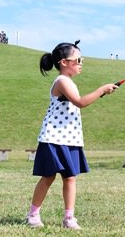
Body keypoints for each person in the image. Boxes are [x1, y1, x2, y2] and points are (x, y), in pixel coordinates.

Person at [26, 40, 118, 230]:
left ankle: (69, 218)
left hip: (70, 138)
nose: (81, 63)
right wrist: (101, 89)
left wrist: (103, 93)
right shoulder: (61, 82)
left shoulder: (70, 82)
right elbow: (80, 102)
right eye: (77, 59)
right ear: (63, 62)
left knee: (70, 177)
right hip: (53, 138)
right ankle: (33, 215)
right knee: (48, 177)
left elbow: (79, 101)